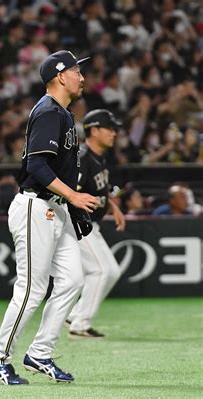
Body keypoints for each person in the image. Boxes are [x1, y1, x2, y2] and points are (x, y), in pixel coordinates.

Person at [0, 50, 100, 385]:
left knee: (73, 280)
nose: (82, 76)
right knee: (31, 289)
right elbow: (36, 165)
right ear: (60, 76)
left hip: (54, 208)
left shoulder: (62, 113)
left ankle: (40, 353)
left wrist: (71, 205)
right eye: (77, 70)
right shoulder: (49, 111)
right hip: (36, 206)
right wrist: (73, 195)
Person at [65, 109, 126, 338]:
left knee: (104, 271)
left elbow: (98, 191)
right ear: (94, 130)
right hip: (77, 223)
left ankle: (75, 315)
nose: (114, 133)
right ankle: (80, 322)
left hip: (89, 223)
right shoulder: (81, 158)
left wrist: (112, 205)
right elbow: (69, 194)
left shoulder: (99, 157)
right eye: (109, 128)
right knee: (103, 270)